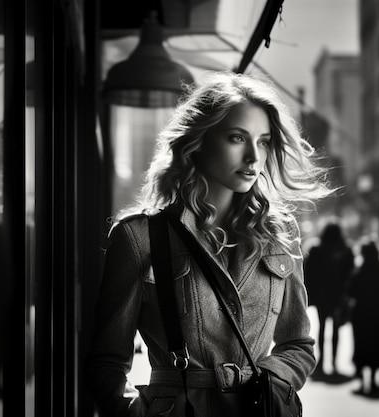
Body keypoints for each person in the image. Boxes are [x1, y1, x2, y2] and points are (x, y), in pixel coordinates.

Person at [85, 71, 334, 417]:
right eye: (237, 138)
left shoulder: (280, 233)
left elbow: (299, 346)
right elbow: (107, 362)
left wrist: (270, 384)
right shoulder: (140, 237)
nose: (253, 157)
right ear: (198, 140)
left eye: (263, 141)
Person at [303, 222, 355, 376]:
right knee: (336, 330)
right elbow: (350, 275)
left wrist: (310, 295)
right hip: (338, 296)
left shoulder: (316, 249)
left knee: (322, 327)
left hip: (322, 296)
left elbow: (309, 273)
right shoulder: (346, 250)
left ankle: (320, 363)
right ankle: (333, 361)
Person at [346, 238, 379, 397]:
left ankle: (361, 377)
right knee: (377, 346)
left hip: (361, 315)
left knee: (361, 345)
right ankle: (373, 379)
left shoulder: (358, 273)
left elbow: (351, 293)